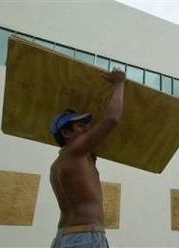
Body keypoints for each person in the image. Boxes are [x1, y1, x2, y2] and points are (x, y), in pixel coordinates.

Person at [49, 68, 126, 248]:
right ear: (66, 133)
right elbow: (112, 119)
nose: (86, 129)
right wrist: (119, 83)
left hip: (65, 237)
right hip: (85, 237)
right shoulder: (76, 151)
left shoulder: (57, 165)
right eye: (80, 126)